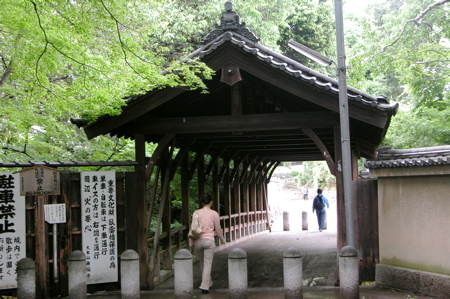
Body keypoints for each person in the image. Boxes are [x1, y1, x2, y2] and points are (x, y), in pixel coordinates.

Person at [189, 193, 226, 293]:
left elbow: (193, 228)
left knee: (202, 263)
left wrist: (191, 241)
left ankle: (208, 282)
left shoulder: (196, 213)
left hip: (198, 241)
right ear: (211, 202)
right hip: (209, 241)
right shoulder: (214, 214)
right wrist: (222, 239)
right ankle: (205, 286)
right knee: (207, 264)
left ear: (201, 202)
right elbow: (218, 229)